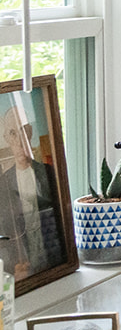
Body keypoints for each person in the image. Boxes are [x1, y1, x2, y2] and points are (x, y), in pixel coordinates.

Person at [0, 100, 61, 276]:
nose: (19, 141)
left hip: (52, 256)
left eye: (23, 132)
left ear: (30, 133)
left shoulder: (49, 173)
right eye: (13, 134)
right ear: (6, 139)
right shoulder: (2, 184)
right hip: (21, 264)